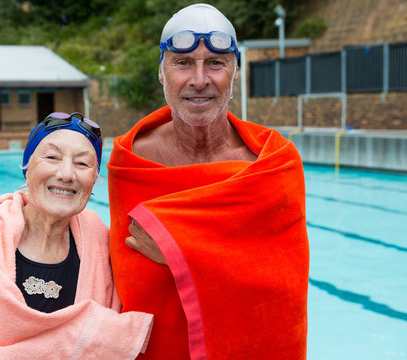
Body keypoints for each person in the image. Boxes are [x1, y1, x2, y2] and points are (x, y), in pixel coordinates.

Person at [108, 4, 309, 360]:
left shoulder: (272, 165)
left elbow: (282, 285)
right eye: (183, 63)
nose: (199, 79)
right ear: (161, 73)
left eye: (215, 63)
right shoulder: (130, 163)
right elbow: (124, 276)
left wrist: (178, 253)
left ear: (235, 74)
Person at [0, 112, 153, 359]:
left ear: (94, 179)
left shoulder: (103, 244)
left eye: (82, 163)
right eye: (52, 157)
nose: (67, 174)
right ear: (27, 167)